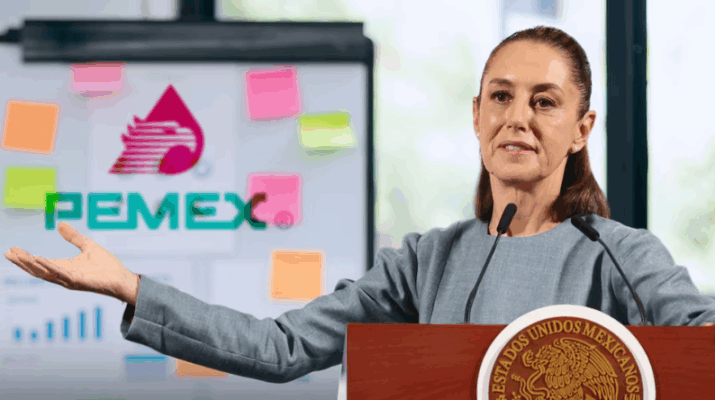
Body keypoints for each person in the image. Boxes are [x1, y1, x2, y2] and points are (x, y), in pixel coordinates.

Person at [4, 26, 715, 384]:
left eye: (545, 102)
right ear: (476, 116)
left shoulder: (620, 254)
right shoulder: (426, 260)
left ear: (581, 129)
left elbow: (703, 347)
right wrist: (132, 287)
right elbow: (280, 347)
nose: (517, 118)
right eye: (501, 96)